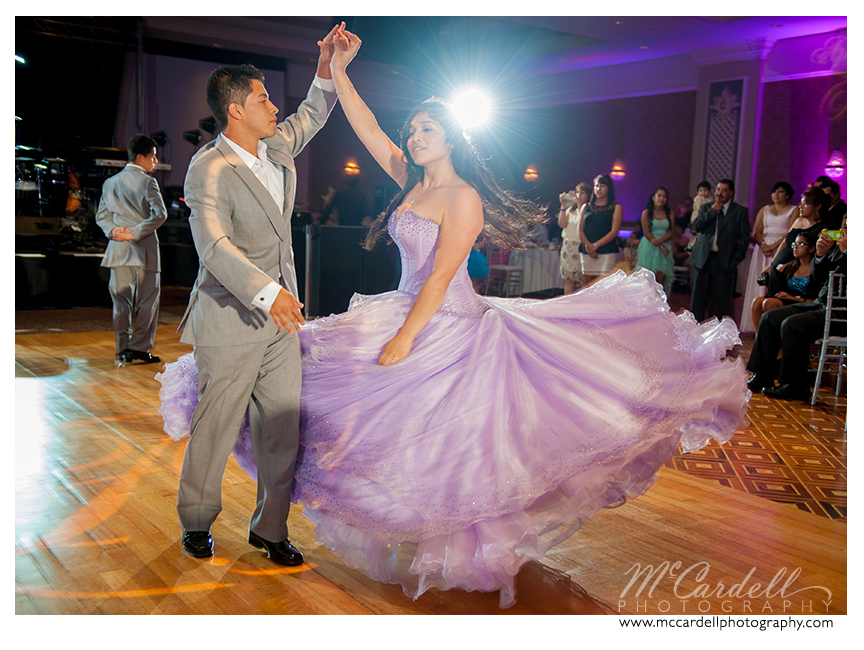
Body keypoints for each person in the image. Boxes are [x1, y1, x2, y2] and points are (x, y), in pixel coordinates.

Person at [156, 26, 749, 608]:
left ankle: (334, 532)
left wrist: (406, 338)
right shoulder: (405, 180)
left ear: (451, 138)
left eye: (425, 129)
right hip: (386, 311)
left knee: (448, 444)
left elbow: (440, 277)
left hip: (447, 322)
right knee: (345, 417)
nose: (413, 137)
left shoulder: (463, 197)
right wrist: (339, 72)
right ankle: (223, 518)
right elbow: (361, 128)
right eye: (411, 129)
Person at [172, 25, 342, 565]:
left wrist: (326, 66)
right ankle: (196, 520)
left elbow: (312, 114)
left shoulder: (275, 148)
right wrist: (270, 294)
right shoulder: (209, 167)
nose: (275, 106)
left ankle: (270, 528)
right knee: (216, 426)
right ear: (235, 111)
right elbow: (214, 248)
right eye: (264, 98)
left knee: (281, 430)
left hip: (281, 319)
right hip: (229, 314)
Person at [747, 220, 847, 400]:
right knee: (770, 317)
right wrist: (822, 254)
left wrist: (847, 252)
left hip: (841, 313)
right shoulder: (840, 252)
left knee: (792, 325)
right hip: (821, 304)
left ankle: (795, 385)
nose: (843, 231)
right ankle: (762, 376)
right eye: (843, 226)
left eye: (848, 227)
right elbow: (820, 277)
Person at [95, 134, 167, 365]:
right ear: (141, 157)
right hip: (143, 251)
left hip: (118, 250)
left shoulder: (110, 182)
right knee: (147, 302)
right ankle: (138, 348)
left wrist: (114, 230)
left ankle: (122, 349)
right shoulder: (148, 182)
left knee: (121, 303)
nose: (155, 161)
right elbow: (160, 215)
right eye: (153, 156)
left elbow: (101, 216)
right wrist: (134, 232)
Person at [689, 179, 751, 322]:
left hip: (725, 260)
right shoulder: (706, 208)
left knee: (723, 300)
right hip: (703, 259)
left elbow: (744, 238)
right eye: (718, 189)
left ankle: (723, 333)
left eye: (724, 190)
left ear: (731, 193)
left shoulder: (740, 211)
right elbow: (696, 226)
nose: (719, 193)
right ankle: (692, 330)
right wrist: (712, 211)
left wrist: (735, 259)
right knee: (699, 299)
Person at [739, 181, 797, 332]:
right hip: (763, 249)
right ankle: (755, 322)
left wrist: (774, 246)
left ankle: (770, 322)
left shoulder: (793, 210)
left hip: (781, 250)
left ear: (788, 194)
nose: (776, 195)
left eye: (780, 191)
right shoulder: (764, 209)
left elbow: (791, 232)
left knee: (774, 283)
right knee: (760, 281)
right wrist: (764, 245)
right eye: (774, 191)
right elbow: (757, 231)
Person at [748, 231, 819, 332]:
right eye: (794, 244)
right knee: (757, 302)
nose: (795, 247)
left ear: (812, 248)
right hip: (785, 299)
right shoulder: (789, 267)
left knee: (769, 303)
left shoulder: (816, 270)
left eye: (801, 244)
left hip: (801, 303)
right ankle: (760, 338)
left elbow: (816, 299)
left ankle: (777, 343)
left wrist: (793, 298)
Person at [579, 174, 623, 286]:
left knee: (604, 287)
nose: (599, 189)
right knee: (588, 287)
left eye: (602, 186)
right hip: (587, 251)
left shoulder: (616, 207)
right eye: (596, 186)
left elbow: (614, 232)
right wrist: (589, 247)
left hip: (607, 251)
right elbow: (580, 231)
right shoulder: (586, 207)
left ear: (609, 188)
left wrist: (596, 246)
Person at [635, 187, 674, 293]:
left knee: (660, 279)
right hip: (650, 245)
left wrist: (661, 242)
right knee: (647, 279)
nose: (662, 198)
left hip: (664, 245)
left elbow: (671, 232)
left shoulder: (669, 213)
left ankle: (659, 303)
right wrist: (659, 244)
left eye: (664, 196)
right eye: (659, 196)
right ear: (653, 198)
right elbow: (646, 233)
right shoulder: (647, 213)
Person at [557, 181, 590, 294]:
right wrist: (563, 205)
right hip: (568, 246)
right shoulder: (570, 210)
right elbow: (562, 224)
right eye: (577, 192)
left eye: (583, 192)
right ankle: (568, 306)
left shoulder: (588, 210)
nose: (579, 195)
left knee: (583, 279)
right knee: (568, 279)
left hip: (581, 246)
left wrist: (580, 204)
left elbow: (585, 222)